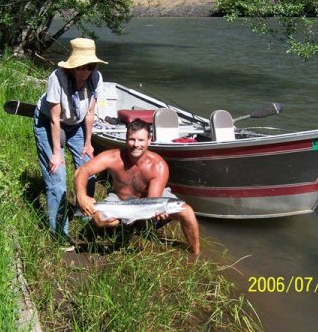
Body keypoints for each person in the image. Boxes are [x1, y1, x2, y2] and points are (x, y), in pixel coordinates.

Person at [75, 119, 200, 255]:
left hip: (148, 201)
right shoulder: (113, 157)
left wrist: (158, 212)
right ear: (126, 139)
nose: (136, 145)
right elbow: (82, 171)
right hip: (119, 199)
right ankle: (124, 226)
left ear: (149, 140)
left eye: (141, 140)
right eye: (132, 139)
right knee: (99, 219)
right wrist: (82, 196)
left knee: (187, 211)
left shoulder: (158, 165)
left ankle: (196, 253)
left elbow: (153, 200)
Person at [33, 38, 108, 243]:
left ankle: (85, 215)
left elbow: (90, 114)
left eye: (90, 67)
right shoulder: (57, 78)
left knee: (88, 170)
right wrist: (57, 153)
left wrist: (88, 143)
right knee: (57, 179)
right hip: (48, 122)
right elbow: (55, 120)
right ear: (72, 66)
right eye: (81, 67)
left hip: (77, 124)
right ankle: (59, 233)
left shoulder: (96, 78)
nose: (86, 72)